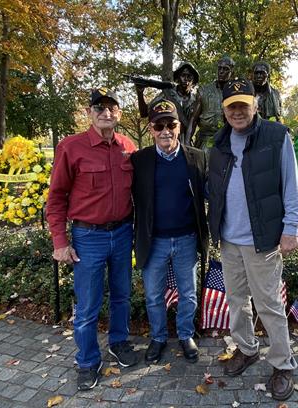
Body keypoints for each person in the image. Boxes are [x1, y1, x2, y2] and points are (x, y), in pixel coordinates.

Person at [207, 78, 298, 401]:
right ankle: (247, 349)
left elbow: (291, 185)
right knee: (236, 301)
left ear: (255, 105)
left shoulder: (276, 138)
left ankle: (282, 363)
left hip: (262, 240)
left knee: (269, 305)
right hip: (229, 239)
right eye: (231, 106)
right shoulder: (220, 144)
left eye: (243, 104)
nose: (237, 111)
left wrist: (292, 226)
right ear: (224, 110)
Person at [46, 88, 138, 391]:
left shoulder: (128, 147)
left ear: (119, 114)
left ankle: (118, 343)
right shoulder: (71, 148)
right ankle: (87, 361)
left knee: (122, 294)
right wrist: (60, 241)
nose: (105, 113)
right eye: (99, 107)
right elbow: (57, 197)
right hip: (88, 236)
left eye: (112, 108)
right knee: (87, 305)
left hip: (123, 233)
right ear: (89, 112)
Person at [131, 100, 209, 365]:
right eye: (159, 125)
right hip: (154, 240)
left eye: (171, 124)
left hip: (187, 238)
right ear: (152, 129)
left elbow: (212, 194)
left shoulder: (197, 157)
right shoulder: (139, 160)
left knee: (188, 294)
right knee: (153, 295)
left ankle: (186, 335)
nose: (166, 130)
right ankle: (158, 337)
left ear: (180, 126)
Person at [136, 62, 199, 146]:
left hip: (187, 144)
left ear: (193, 81)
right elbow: (144, 113)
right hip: (167, 142)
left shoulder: (196, 100)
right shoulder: (167, 95)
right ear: (177, 78)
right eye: (183, 75)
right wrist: (140, 93)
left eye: (189, 76)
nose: (186, 79)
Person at [188, 56, 235, 149]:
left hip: (229, 140)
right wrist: (187, 142)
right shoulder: (204, 91)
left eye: (225, 69)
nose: (221, 72)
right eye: (219, 68)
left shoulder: (236, 92)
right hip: (206, 139)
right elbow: (193, 119)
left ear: (232, 72)